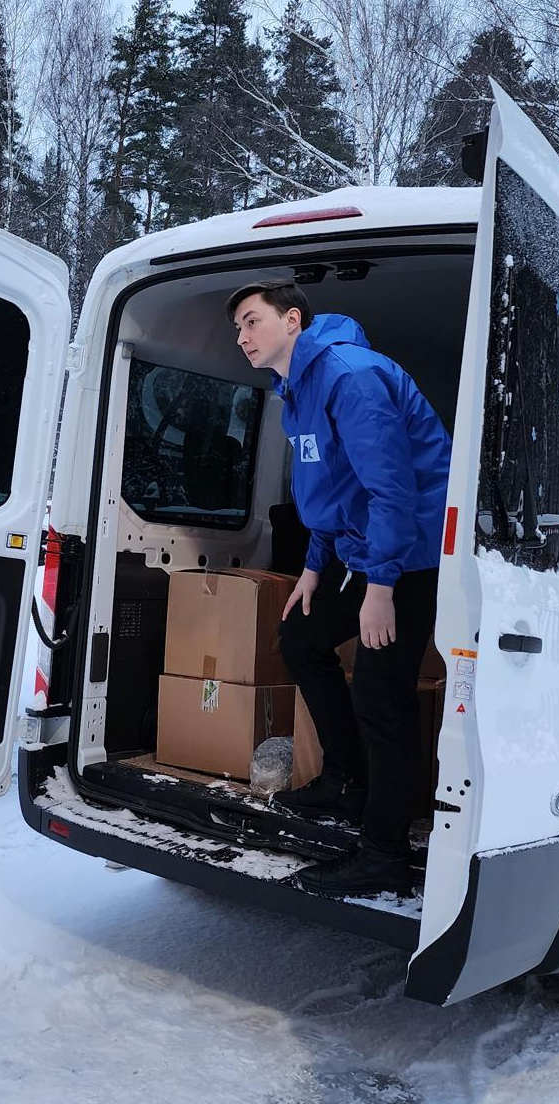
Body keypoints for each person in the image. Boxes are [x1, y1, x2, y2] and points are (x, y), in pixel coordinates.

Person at [228, 279, 451, 897]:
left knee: (382, 697)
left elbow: (393, 490)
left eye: (251, 322)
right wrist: (311, 568)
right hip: (364, 548)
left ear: (292, 319)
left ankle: (384, 852)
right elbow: (329, 492)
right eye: (238, 329)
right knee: (300, 638)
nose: (242, 338)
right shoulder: (293, 389)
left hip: (412, 554)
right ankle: (347, 781)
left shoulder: (350, 378)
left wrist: (380, 586)